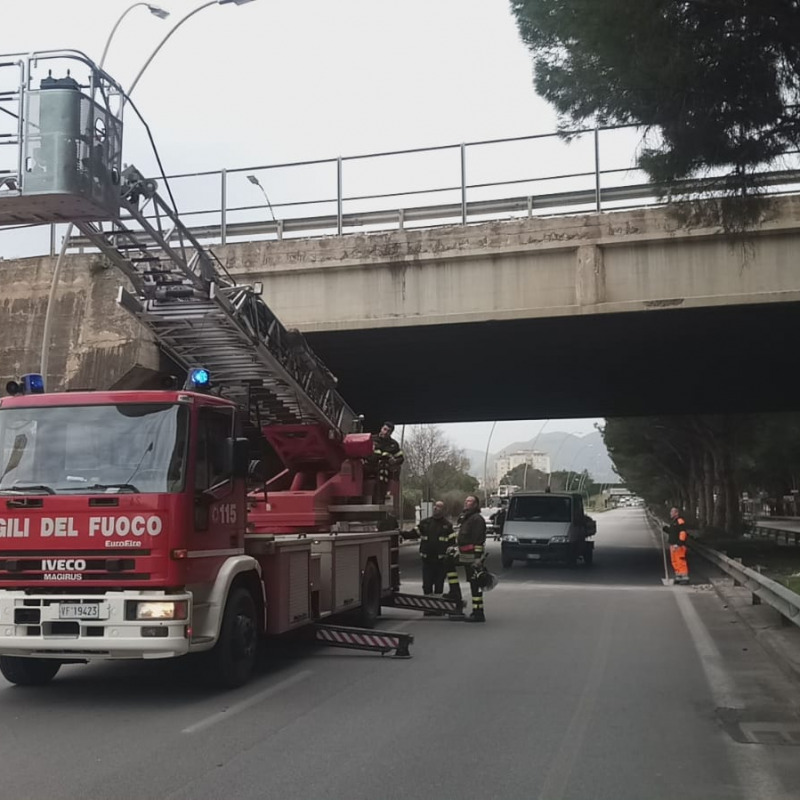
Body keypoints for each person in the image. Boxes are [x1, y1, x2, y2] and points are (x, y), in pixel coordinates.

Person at [444, 494, 488, 622]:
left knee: (475, 583)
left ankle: (478, 612)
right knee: (447, 561)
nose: (466, 503)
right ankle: (455, 592)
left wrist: (478, 559)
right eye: (466, 501)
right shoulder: (466, 518)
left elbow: (479, 541)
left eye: (469, 501)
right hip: (463, 554)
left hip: (472, 556)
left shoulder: (477, 519)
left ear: (475, 505)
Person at [416, 500, 455, 614]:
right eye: (435, 506)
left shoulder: (447, 526)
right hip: (427, 560)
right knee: (427, 585)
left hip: (440, 561)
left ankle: (438, 608)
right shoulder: (425, 523)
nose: (435, 508)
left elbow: (452, 542)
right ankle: (427, 608)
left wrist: (451, 552)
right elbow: (414, 533)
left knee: (439, 585)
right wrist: (399, 533)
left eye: (438, 507)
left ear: (443, 510)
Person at [368, 422, 404, 502]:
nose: (385, 432)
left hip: (385, 468)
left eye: (388, 431)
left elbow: (401, 458)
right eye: (384, 429)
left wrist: (395, 461)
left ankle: (379, 499)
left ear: (391, 433)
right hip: (371, 465)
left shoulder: (393, 444)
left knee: (383, 469)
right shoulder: (371, 439)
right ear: (381, 428)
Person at [663, 507, 690, 584]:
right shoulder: (673, 522)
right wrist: (665, 528)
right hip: (673, 545)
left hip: (678, 545)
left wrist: (679, 543)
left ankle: (684, 577)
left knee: (680, 560)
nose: (670, 513)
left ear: (676, 513)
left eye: (672, 512)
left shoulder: (679, 521)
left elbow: (683, 532)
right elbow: (672, 532)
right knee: (674, 561)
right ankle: (678, 576)